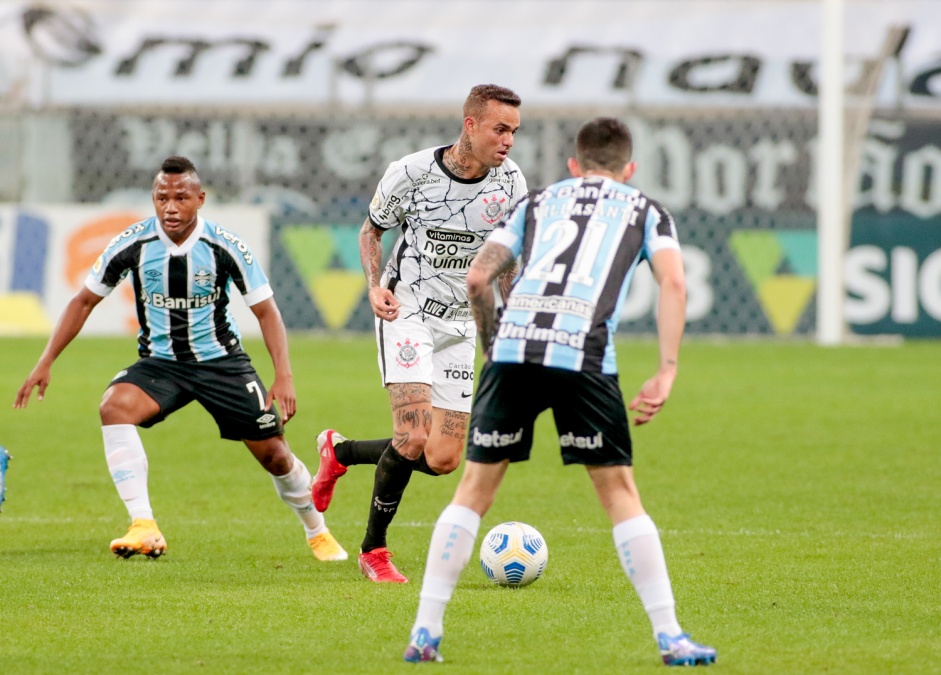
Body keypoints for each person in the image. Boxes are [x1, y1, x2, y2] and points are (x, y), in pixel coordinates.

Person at [402, 118, 717, 667]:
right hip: (583, 352)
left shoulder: (539, 202)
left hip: (515, 347)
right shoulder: (645, 210)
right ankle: (670, 636)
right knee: (619, 494)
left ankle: (425, 632)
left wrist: (491, 342)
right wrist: (666, 370)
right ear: (629, 168)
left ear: (574, 165)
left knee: (472, 492)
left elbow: (478, 279)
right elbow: (675, 281)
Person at [14, 156, 347, 563]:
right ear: (153, 199)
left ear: (200, 199)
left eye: (181, 197)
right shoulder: (132, 244)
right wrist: (45, 360)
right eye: (162, 197)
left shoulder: (224, 246)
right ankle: (143, 525)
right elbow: (83, 301)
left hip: (222, 363)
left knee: (275, 455)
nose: (171, 207)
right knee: (114, 407)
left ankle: (318, 532)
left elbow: (267, 312)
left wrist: (284, 376)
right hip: (161, 364)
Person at [312, 84, 528, 583]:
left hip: (461, 320)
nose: (508, 142)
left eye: (514, 132)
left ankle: (339, 452)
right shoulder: (411, 173)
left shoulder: (511, 183)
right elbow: (371, 230)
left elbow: (506, 260)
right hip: (405, 309)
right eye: (500, 129)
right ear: (470, 125)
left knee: (443, 457)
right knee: (412, 436)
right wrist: (372, 286)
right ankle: (374, 551)